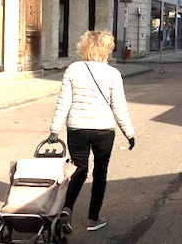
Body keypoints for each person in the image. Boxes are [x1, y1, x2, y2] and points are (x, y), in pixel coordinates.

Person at [47, 30, 135, 233]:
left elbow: (63, 102)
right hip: (103, 130)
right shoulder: (113, 74)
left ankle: (66, 209)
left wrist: (55, 129)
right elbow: (119, 107)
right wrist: (129, 133)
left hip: (77, 129)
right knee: (100, 173)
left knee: (78, 169)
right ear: (106, 50)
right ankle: (93, 218)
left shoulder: (72, 69)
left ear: (84, 48)